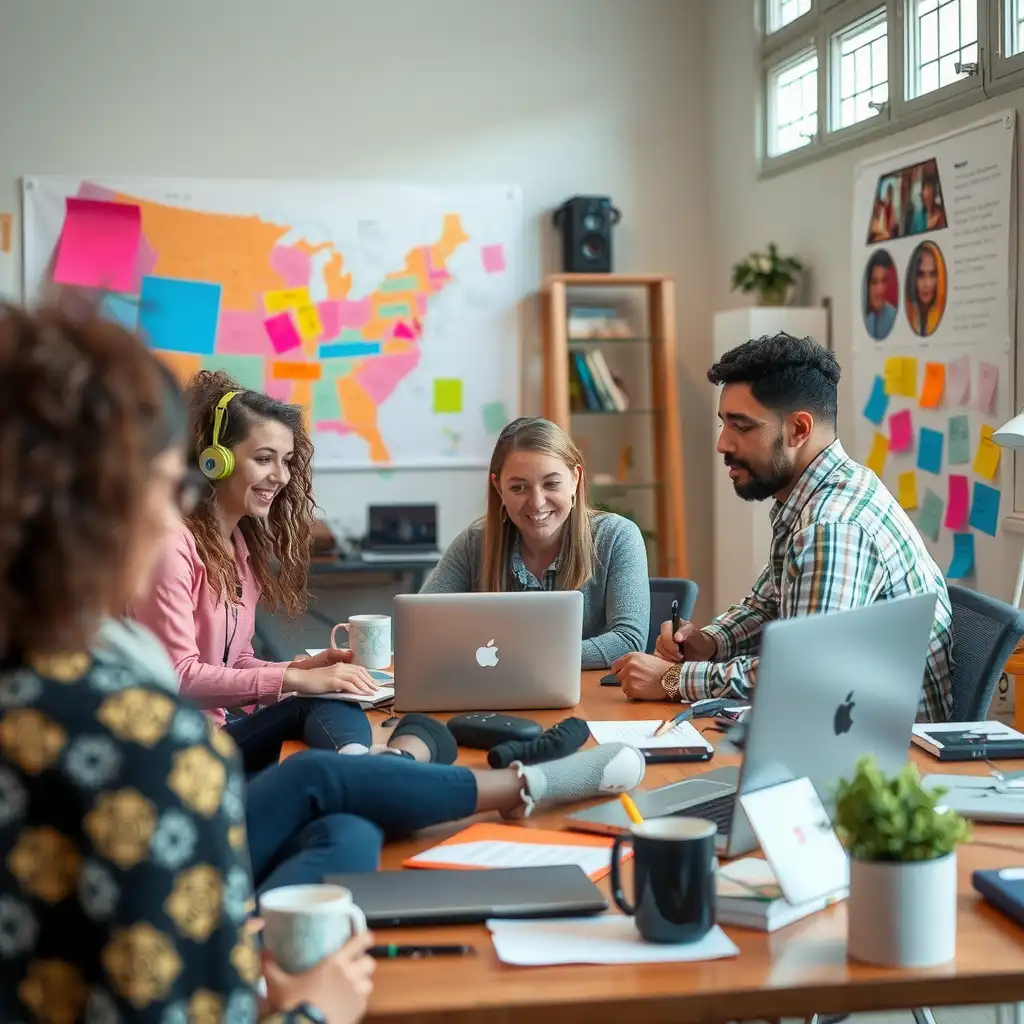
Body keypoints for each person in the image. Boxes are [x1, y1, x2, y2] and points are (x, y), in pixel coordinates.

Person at [0, 300, 647, 1023]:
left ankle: (393, 774)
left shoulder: (74, 685)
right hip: (215, 801)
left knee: (347, 825)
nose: (166, 515)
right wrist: (312, 1008)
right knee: (320, 777)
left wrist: (302, 666)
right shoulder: (136, 739)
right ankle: (497, 781)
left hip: (215, 849)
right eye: (162, 486)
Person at [610, 333, 953, 723]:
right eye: (724, 424)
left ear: (799, 429)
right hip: (836, 727)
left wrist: (675, 679)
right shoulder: (815, 495)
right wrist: (708, 642)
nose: (722, 444)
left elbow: (803, 679)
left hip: (884, 756)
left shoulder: (833, 527)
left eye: (742, 427)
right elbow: (768, 605)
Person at [130, 372, 445, 773]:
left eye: (287, 461)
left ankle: (366, 767)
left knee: (332, 699)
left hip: (222, 729)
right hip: (179, 748)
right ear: (215, 459)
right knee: (313, 703)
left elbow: (236, 661)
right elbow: (176, 677)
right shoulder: (172, 546)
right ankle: (374, 771)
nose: (281, 477)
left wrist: (302, 670)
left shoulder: (239, 545)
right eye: (264, 459)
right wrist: (296, 682)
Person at [420, 417, 650, 669]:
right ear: (499, 488)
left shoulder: (617, 536)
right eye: (519, 488)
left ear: (575, 479)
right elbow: (421, 624)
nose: (537, 502)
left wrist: (522, 659)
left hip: (592, 700)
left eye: (551, 484)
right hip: (495, 694)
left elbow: (628, 640)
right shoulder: (474, 544)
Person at [906, 241, 945, 337]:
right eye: (920, 275)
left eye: (932, 275)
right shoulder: (907, 315)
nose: (926, 284)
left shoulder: (943, 317)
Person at [862, 250, 897, 340]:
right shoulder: (867, 321)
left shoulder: (895, 318)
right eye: (874, 282)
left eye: (884, 281)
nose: (880, 290)